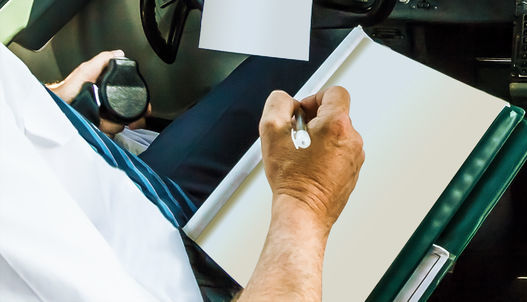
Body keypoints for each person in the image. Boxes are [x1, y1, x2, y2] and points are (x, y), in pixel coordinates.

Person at [0, 41, 364, 301]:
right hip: (185, 275)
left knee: (315, 51)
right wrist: (306, 201)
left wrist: (63, 111)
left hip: (138, 196)